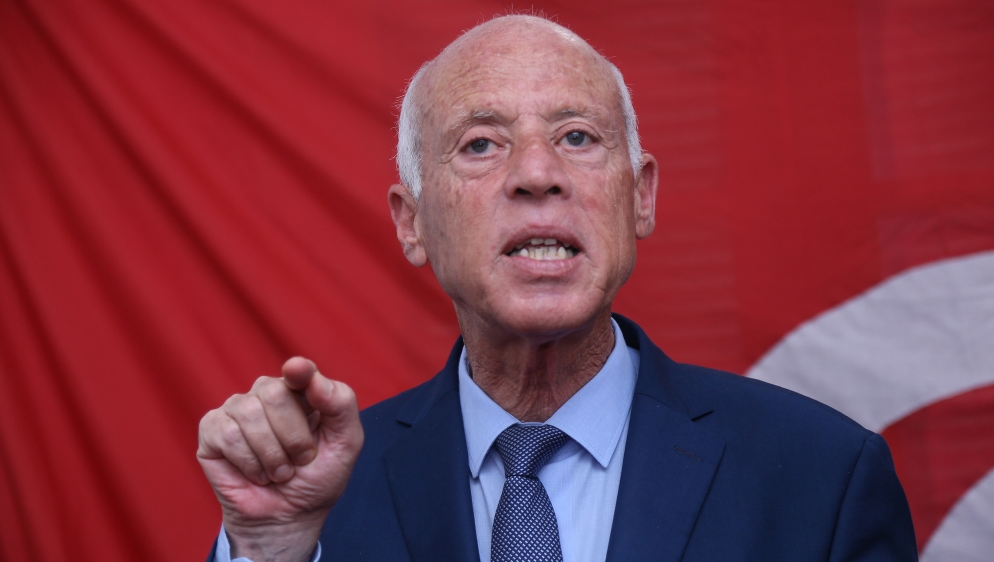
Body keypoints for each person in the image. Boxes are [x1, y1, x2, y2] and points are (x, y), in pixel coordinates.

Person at [197, 14, 918, 562]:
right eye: (480, 143)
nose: (536, 173)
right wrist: (269, 549)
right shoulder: (318, 494)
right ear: (411, 223)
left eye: (576, 136)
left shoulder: (821, 476)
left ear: (639, 198)